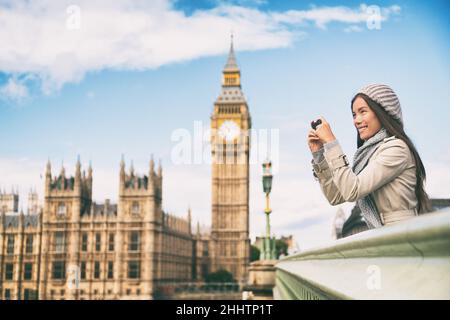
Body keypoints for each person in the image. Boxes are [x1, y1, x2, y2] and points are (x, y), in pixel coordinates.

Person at [307, 84, 431, 229]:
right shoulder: (368, 155)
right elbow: (336, 197)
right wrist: (319, 155)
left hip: (402, 236)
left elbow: (352, 190)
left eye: (363, 111)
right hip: (383, 235)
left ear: (383, 113)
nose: (356, 120)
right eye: (354, 114)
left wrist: (331, 143)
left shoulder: (397, 148)